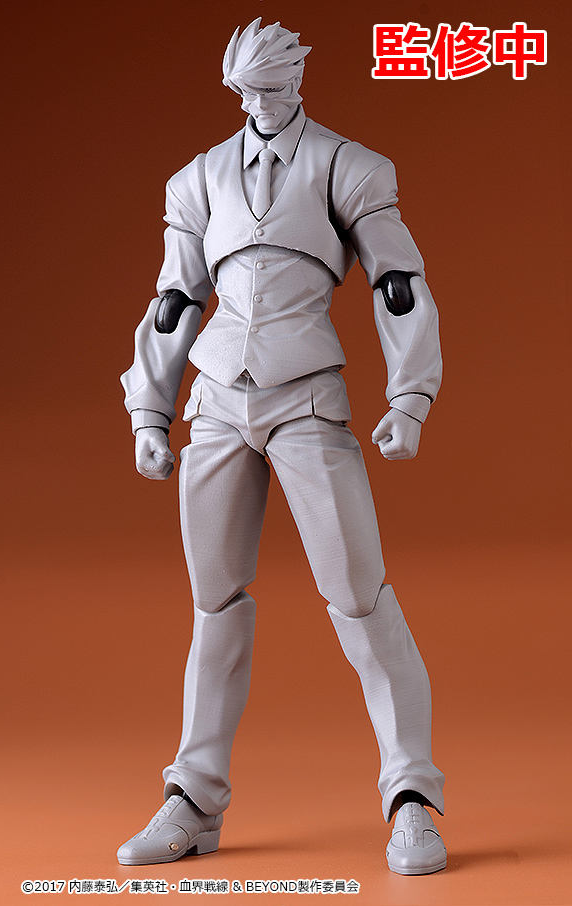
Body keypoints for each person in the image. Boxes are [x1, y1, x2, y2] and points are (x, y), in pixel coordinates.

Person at [118, 18, 446, 875]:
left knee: (359, 597)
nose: (257, 104)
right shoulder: (198, 178)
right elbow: (173, 301)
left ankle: (411, 794)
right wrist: (149, 410)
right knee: (214, 603)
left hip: (306, 395)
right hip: (217, 399)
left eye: (269, 87)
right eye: (244, 91)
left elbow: (398, 283)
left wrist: (409, 396)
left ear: (298, 78)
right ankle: (193, 798)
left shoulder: (349, 166)